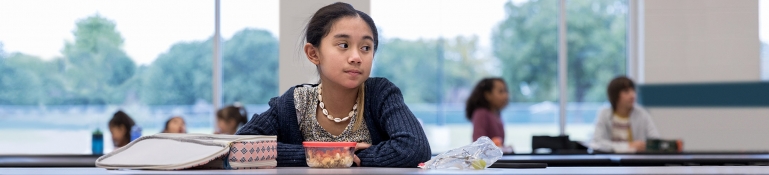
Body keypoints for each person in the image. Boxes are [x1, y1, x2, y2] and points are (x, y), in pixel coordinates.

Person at [236, 2, 431, 167]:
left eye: (365, 48)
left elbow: (416, 148)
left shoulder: (380, 93)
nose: (356, 57)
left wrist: (350, 159)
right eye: (343, 45)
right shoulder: (295, 104)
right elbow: (239, 145)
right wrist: (329, 156)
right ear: (313, 53)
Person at [590, 76, 660, 153]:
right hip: (610, 162)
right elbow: (596, 143)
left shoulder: (642, 113)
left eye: (633, 90)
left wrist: (645, 146)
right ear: (615, 95)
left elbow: (655, 141)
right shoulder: (604, 113)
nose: (632, 95)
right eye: (626, 91)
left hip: (637, 161)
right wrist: (628, 146)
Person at [466, 78, 512, 152]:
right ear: (488, 95)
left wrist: (504, 148)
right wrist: (503, 149)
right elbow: (479, 145)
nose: (506, 95)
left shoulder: (496, 114)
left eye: (506, 91)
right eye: (501, 91)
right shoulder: (481, 113)